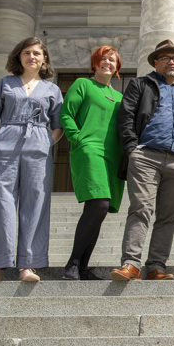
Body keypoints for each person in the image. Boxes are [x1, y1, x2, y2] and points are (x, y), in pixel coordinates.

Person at [109, 39, 174, 281]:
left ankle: (156, 267)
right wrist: (131, 149)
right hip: (146, 156)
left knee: (169, 216)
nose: (172, 62)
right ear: (156, 62)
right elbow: (126, 116)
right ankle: (131, 264)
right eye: (167, 58)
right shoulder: (140, 85)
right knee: (141, 209)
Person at [0, 37, 64, 282]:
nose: (31, 57)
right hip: (5, 144)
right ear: (19, 57)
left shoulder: (52, 89)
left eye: (37, 53)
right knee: (1, 202)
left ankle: (28, 265)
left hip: (38, 145)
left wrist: (46, 142)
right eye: (27, 53)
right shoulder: (6, 83)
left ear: (44, 59)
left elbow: (58, 125)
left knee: (35, 203)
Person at [59, 46, 126, 280]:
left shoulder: (120, 97)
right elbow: (66, 114)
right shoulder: (83, 84)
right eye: (103, 59)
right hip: (89, 150)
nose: (108, 63)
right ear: (95, 63)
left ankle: (82, 267)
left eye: (112, 60)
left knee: (100, 210)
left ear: (118, 67)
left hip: (113, 156)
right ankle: (73, 263)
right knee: (98, 204)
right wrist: (77, 139)